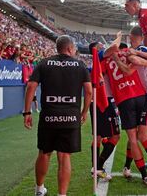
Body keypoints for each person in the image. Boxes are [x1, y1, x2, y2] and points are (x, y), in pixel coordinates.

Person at [23, 35, 92, 196]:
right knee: (64, 155)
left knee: (44, 152)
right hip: (70, 117)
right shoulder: (80, 65)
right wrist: (84, 111)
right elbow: (89, 91)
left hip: (48, 116)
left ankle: (39, 189)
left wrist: (27, 112)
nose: (75, 51)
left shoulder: (44, 63)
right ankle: (62, 194)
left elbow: (31, 86)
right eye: (74, 48)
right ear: (69, 48)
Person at [102, 32, 147, 186]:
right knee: (144, 133)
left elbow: (101, 76)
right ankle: (132, 167)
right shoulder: (128, 54)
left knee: (134, 138)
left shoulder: (105, 59)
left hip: (124, 100)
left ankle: (145, 174)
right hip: (140, 95)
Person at [88, 41, 121, 181]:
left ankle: (96, 167)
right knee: (115, 136)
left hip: (98, 102)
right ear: (96, 50)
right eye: (101, 45)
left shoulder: (98, 63)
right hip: (104, 102)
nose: (104, 46)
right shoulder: (99, 58)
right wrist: (119, 37)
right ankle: (98, 167)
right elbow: (113, 47)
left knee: (99, 137)